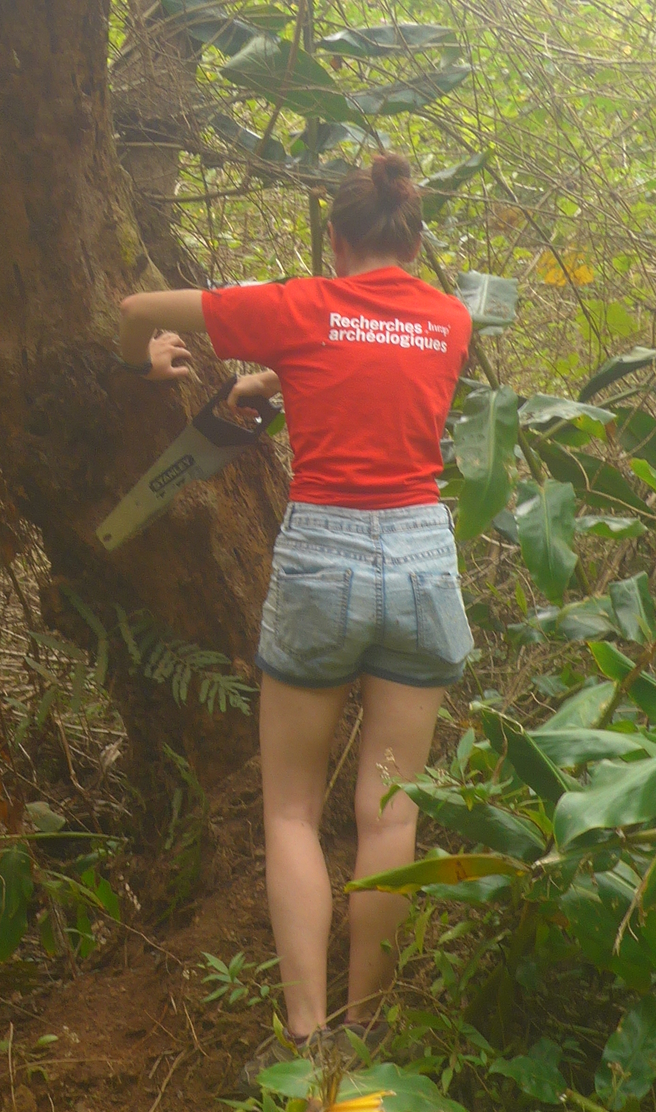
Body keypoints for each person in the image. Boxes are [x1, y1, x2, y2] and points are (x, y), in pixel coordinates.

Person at [116, 153, 474, 1053]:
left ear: (334, 239)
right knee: (391, 813)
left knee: (290, 811)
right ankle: (368, 1033)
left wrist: (152, 360)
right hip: (423, 557)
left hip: (324, 560)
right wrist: (275, 382)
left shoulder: (301, 307)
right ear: (415, 239)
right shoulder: (450, 319)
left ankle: (309, 1038)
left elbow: (135, 310)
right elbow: (378, 376)